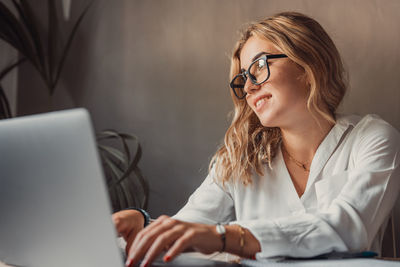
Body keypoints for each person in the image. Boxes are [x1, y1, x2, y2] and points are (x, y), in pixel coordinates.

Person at [113, 11, 400, 267]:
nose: (248, 87)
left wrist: (229, 237)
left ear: (308, 65)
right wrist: (144, 225)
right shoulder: (240, 157)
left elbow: (347, 227)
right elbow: (188, 228)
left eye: (259, 67)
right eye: (242, 78)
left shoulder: (372, 139)